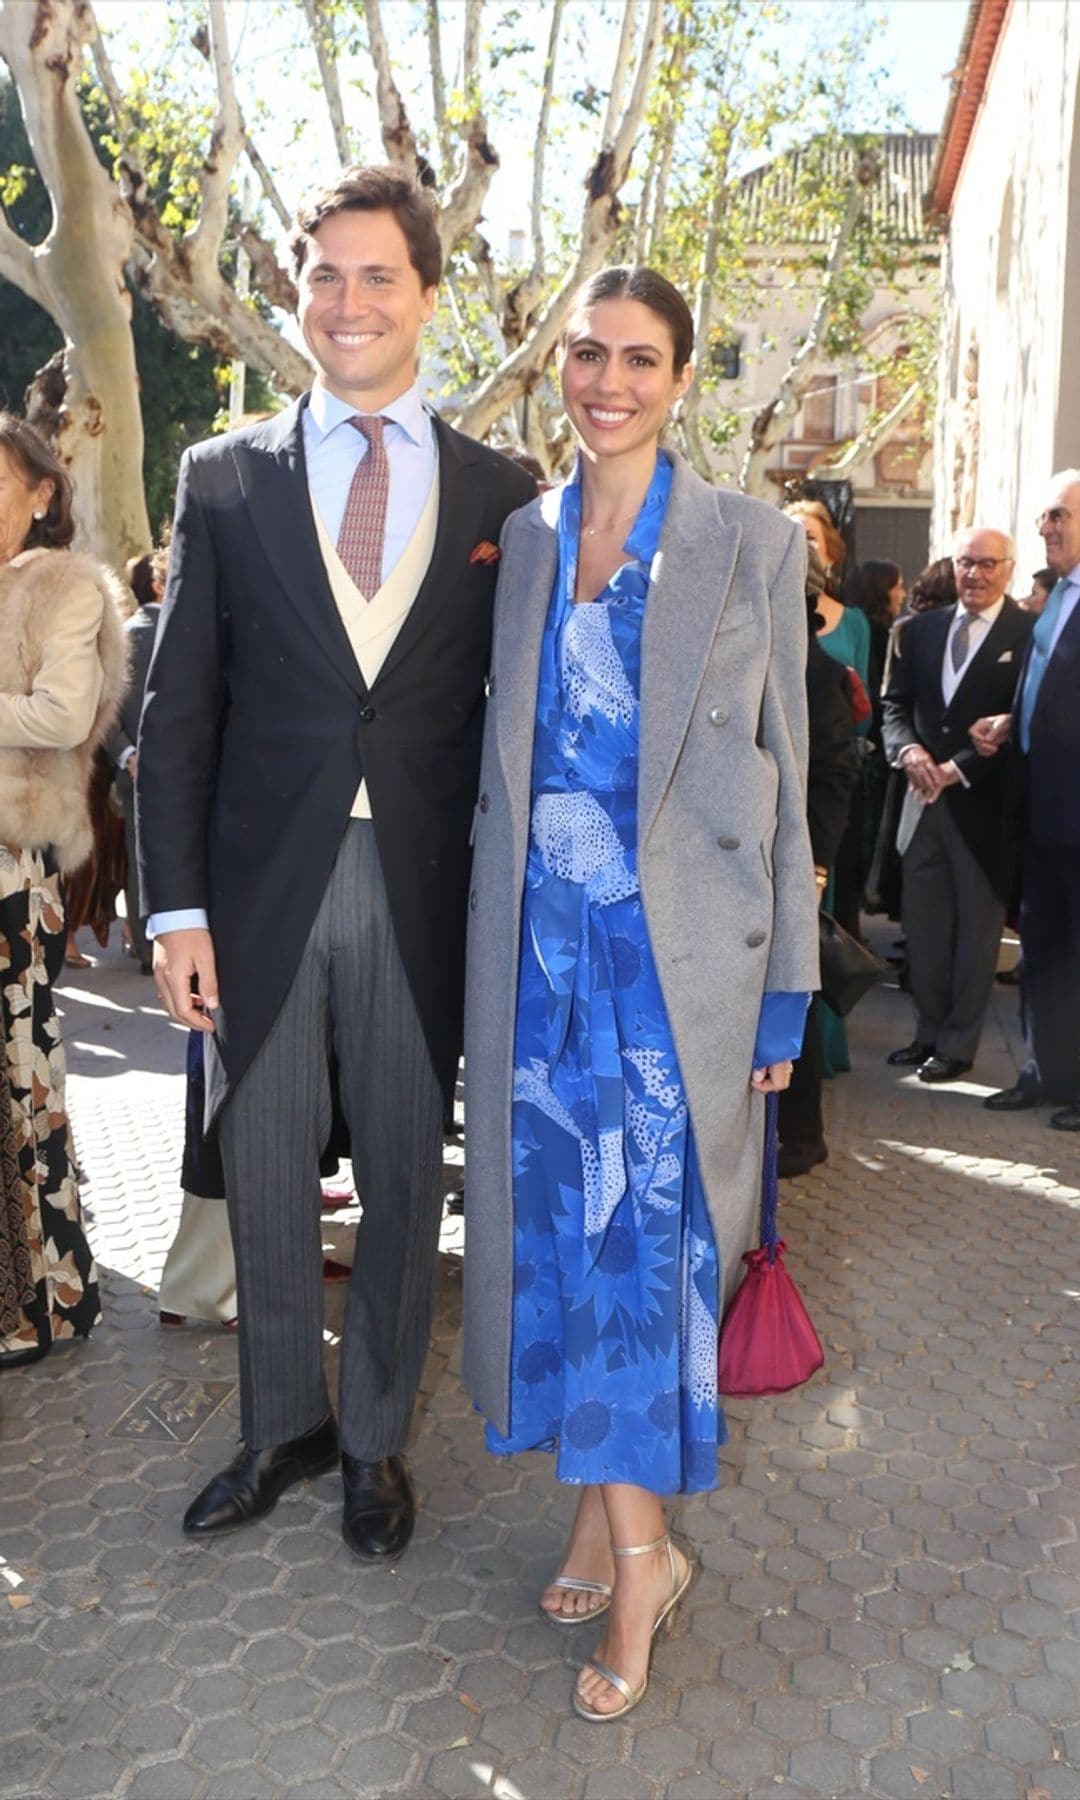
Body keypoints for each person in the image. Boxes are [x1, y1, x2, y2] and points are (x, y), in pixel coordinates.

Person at [137, 165, 534, 1557]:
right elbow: (177, 713)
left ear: (428, 296)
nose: (348, 301)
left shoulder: (504, 490)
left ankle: (371, 1442)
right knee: (258, 1162)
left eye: (378, 276)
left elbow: (519, 723)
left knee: (407, 1179)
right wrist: (173, 907)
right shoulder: (225, 476)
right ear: (295, 295)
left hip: (420, 898)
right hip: (256, 897)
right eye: (324, 275)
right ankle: (278, 1429)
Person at [462, 266, 818, 1723]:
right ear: (562, 365)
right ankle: (599, 1520)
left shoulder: (746, 543)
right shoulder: (528, 538)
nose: (610, 381)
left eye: (643, 359)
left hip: (677, 985)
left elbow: (792, 784)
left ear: (681, 379)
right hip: (540, 970)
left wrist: (789, 994)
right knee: (559, 1258)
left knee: (635, 1278)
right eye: (588, 354)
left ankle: (646, 1567)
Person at [0, 413, 128, 1364]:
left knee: (23, 1083)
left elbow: (62, 711)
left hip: (15, 867)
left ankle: (50, 1298)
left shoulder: (66, 585)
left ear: (43, 494)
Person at [882, 526, 1032, 1081]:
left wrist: (958, 767)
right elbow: (894, 707)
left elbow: (1026, 720)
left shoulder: (1030, 633)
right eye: (967, 562)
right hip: (921, 804)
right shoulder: (920, 631)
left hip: (983, 811)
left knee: (975, 937)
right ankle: (927, 1032)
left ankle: (958, 1045)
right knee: (924, 930)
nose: (976, 574)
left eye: (989, 564)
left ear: (1009, 568)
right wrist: (909, 751)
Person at [974, 471, 1080, 1128]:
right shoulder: (1057, 598)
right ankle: (1047, 1072)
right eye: (1045, 518)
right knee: (1043, 947)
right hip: (1041, 807)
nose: (1045, 528)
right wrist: (1013, 721)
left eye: (1057, 515)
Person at [778, 549, 859, 1176]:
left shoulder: (816, 667)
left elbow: (835, 772)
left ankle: (802, 1138)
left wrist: (816, 867)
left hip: (796, 859)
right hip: (750, 858)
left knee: (793, 997)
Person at [106, 547, 165, 972]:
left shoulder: (120, 637)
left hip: (136, 771)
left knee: (139, 858)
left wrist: (127, 754)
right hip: (190, 769)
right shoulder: (190, 630)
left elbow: (102, 710)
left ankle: (147, 951)